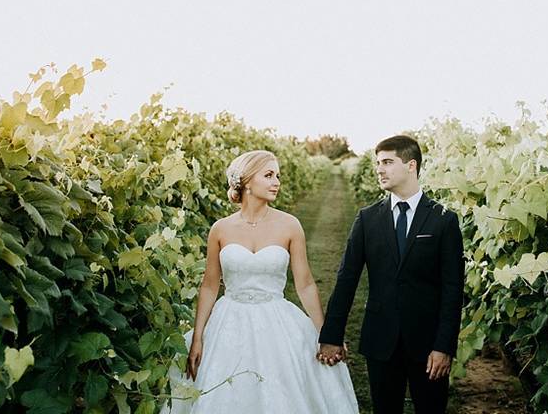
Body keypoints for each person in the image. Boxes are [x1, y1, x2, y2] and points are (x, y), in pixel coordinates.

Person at [163, 150, 358, 413]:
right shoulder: (220, 229)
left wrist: (326, 333)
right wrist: (198, 337)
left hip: (277, 320)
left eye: (277, 175)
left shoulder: (290, 225)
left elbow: (305, 284)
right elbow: (210, 285)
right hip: (229, 321)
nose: (276, 181)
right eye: (268, 175)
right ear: (246, 181)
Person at [318, 135, 465, 414]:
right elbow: (347, 279)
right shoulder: (368, 218)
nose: (379, 169)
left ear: (411, 165)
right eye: (377, 163)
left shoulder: (443, 219)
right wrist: (332, 335)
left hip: (428, 345)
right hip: (380, 341)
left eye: (387, 162)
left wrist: (444, 346)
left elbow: (452, 288)